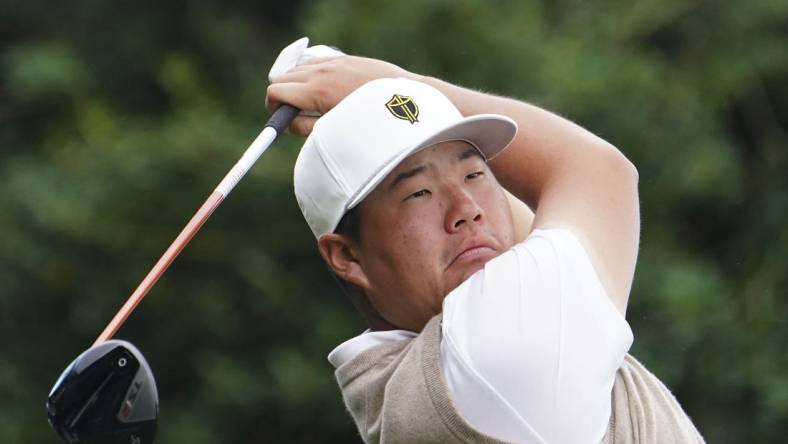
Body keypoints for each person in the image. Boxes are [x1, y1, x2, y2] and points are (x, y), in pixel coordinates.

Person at [266, 43, 705, 444]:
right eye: (418, 193)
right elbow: (600, 173)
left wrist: (382, 100)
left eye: (475, 174)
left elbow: (512, 232)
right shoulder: (491, 358)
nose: (467, 208)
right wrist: (397, 84)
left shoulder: (404, 381)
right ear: (347, 255)